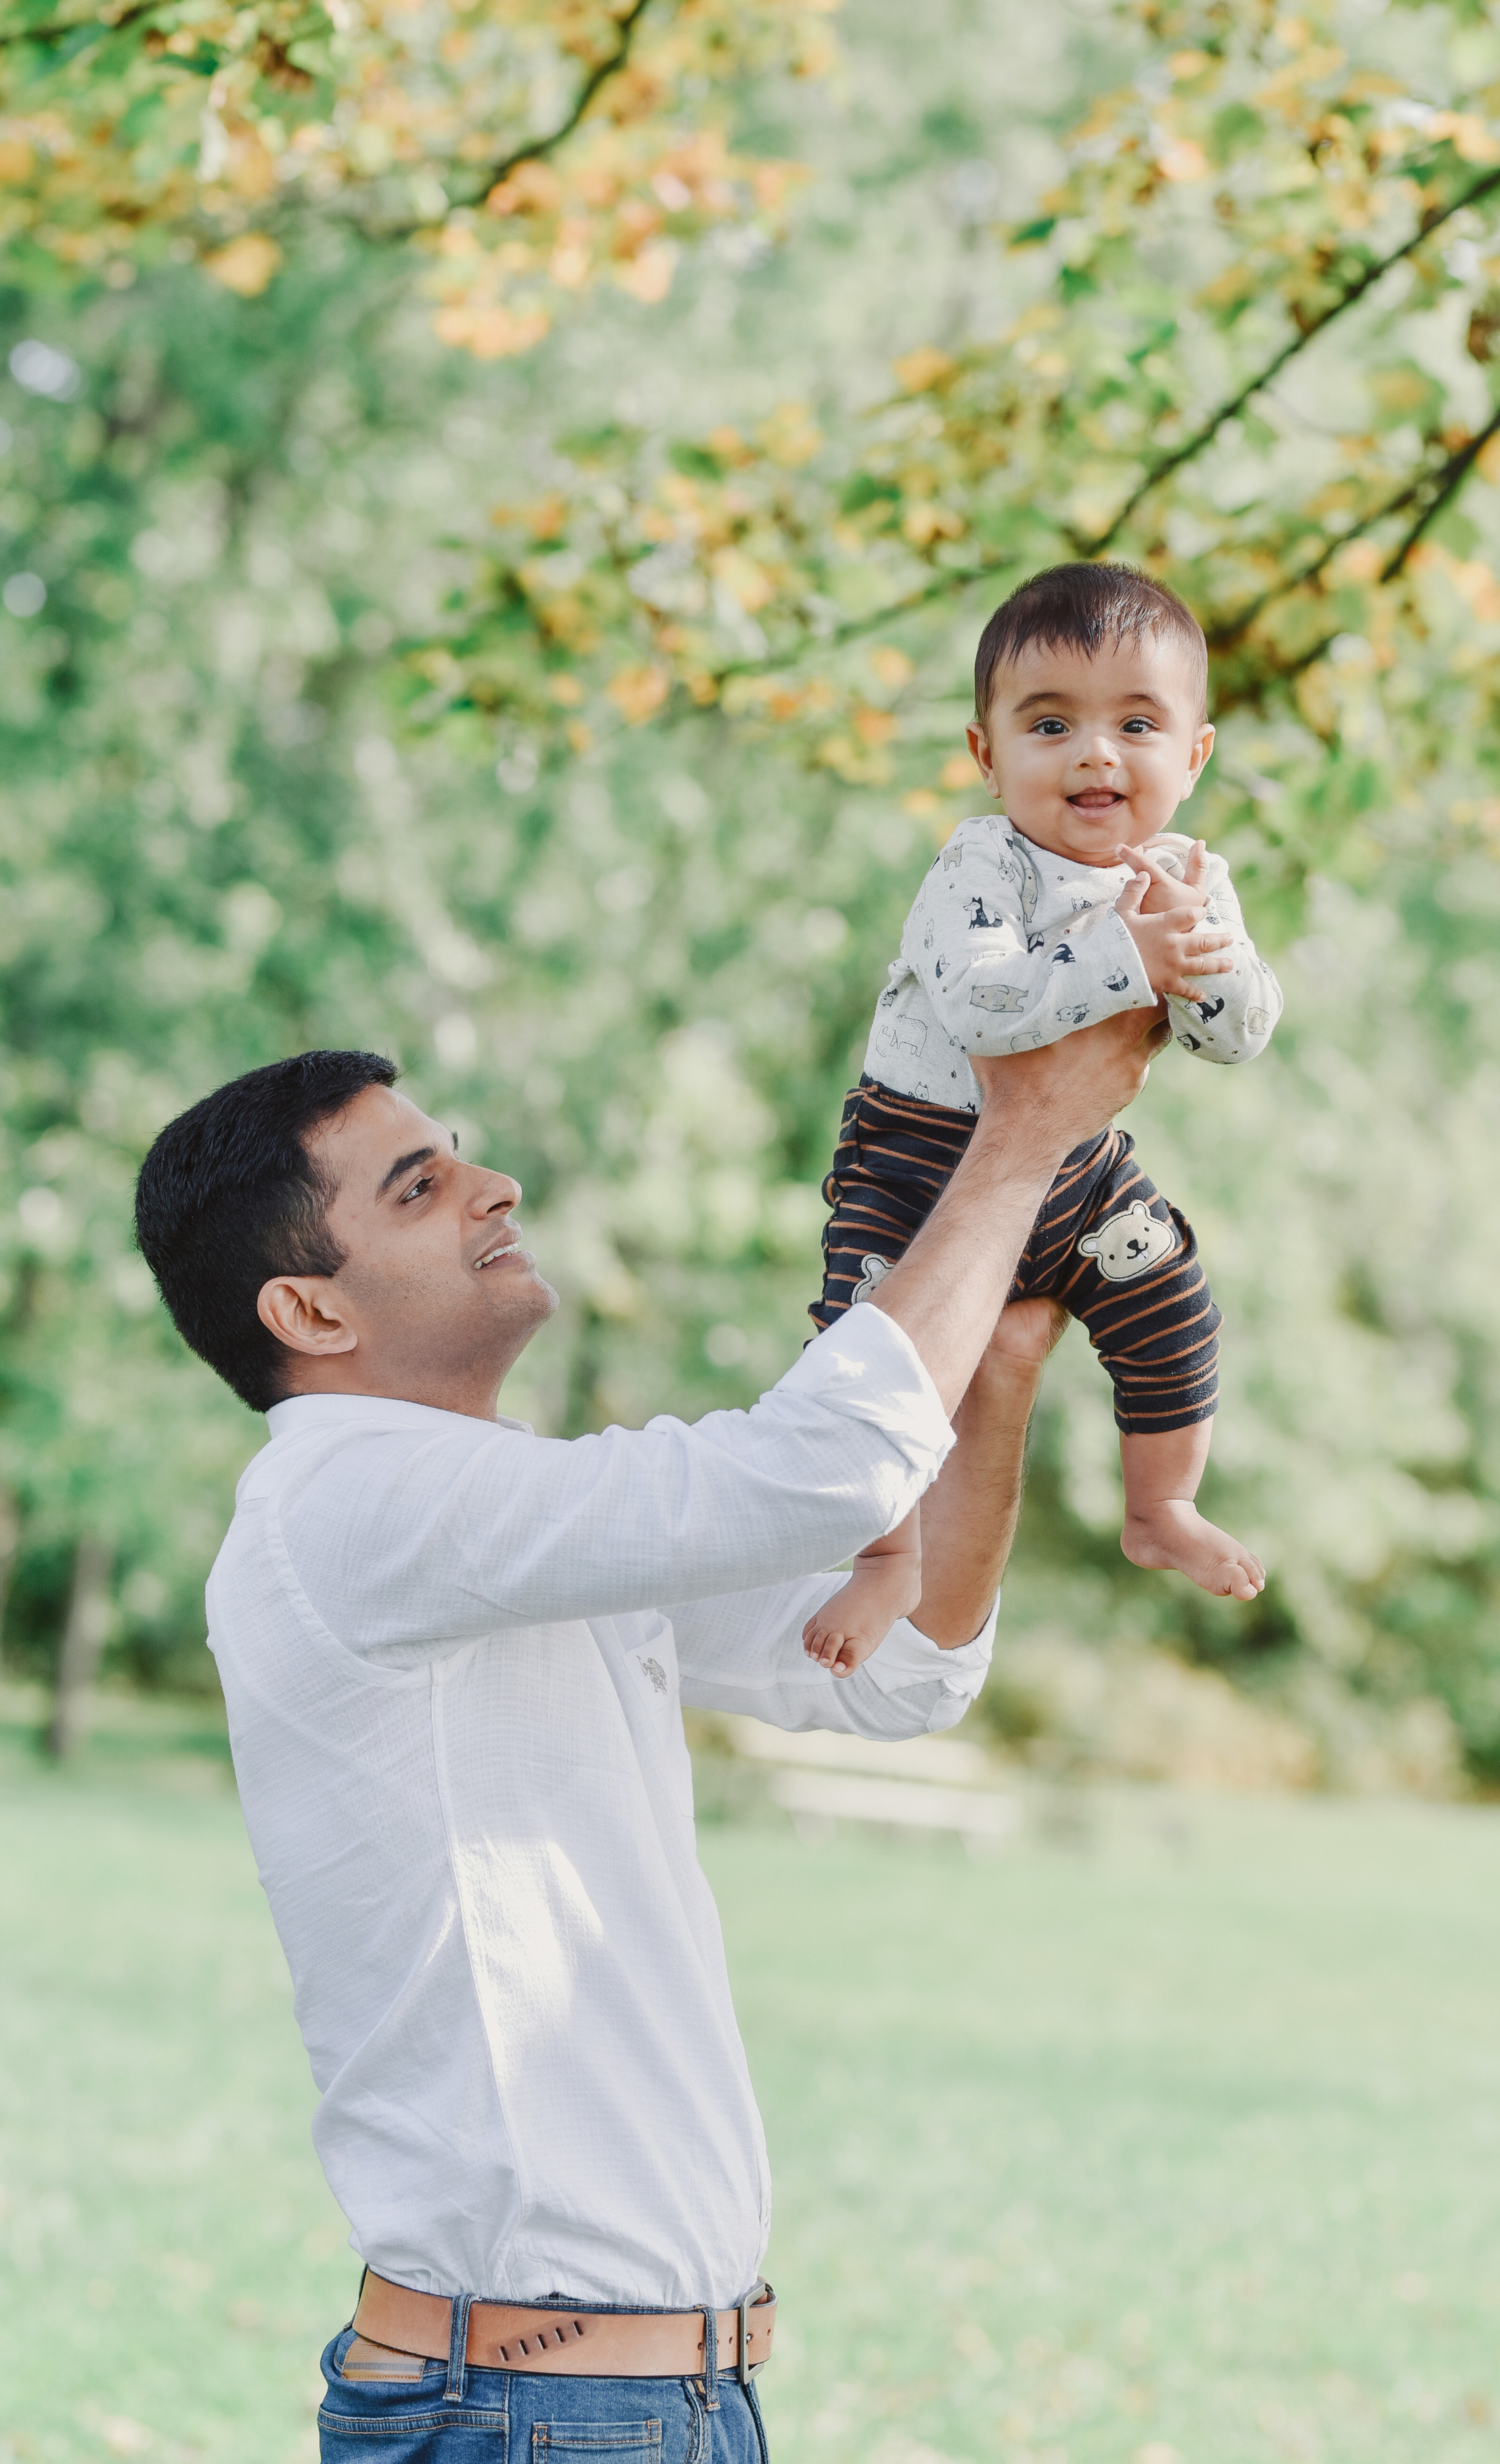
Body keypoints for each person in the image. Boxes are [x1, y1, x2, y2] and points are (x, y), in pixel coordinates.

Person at [131, 1019, 1158, 2462]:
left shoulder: (497, 1515)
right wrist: (1018, 1138)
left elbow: (894, 1673)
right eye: (418, 1189)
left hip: (626, 2400)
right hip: (540, 2406)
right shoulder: (347, 1503)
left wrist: (993, 1375)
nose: (493, 1187)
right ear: (308, 1314)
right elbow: (811, 1473)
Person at [803, 562, 1280, 1681]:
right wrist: (1128, 955)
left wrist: (1206, 966)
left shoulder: (1190, 878)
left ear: (1194, 754)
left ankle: (1163, 1502)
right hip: (921, 1152)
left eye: (1138, 723)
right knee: (869, 1346)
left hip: (1083, 1166)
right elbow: (984, 1002)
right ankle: (883, 1554)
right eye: (1051, 722)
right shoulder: (981, 864)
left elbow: (1237, 1034)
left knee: (1172, 1298)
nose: (1095, 753)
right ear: (986, 751)